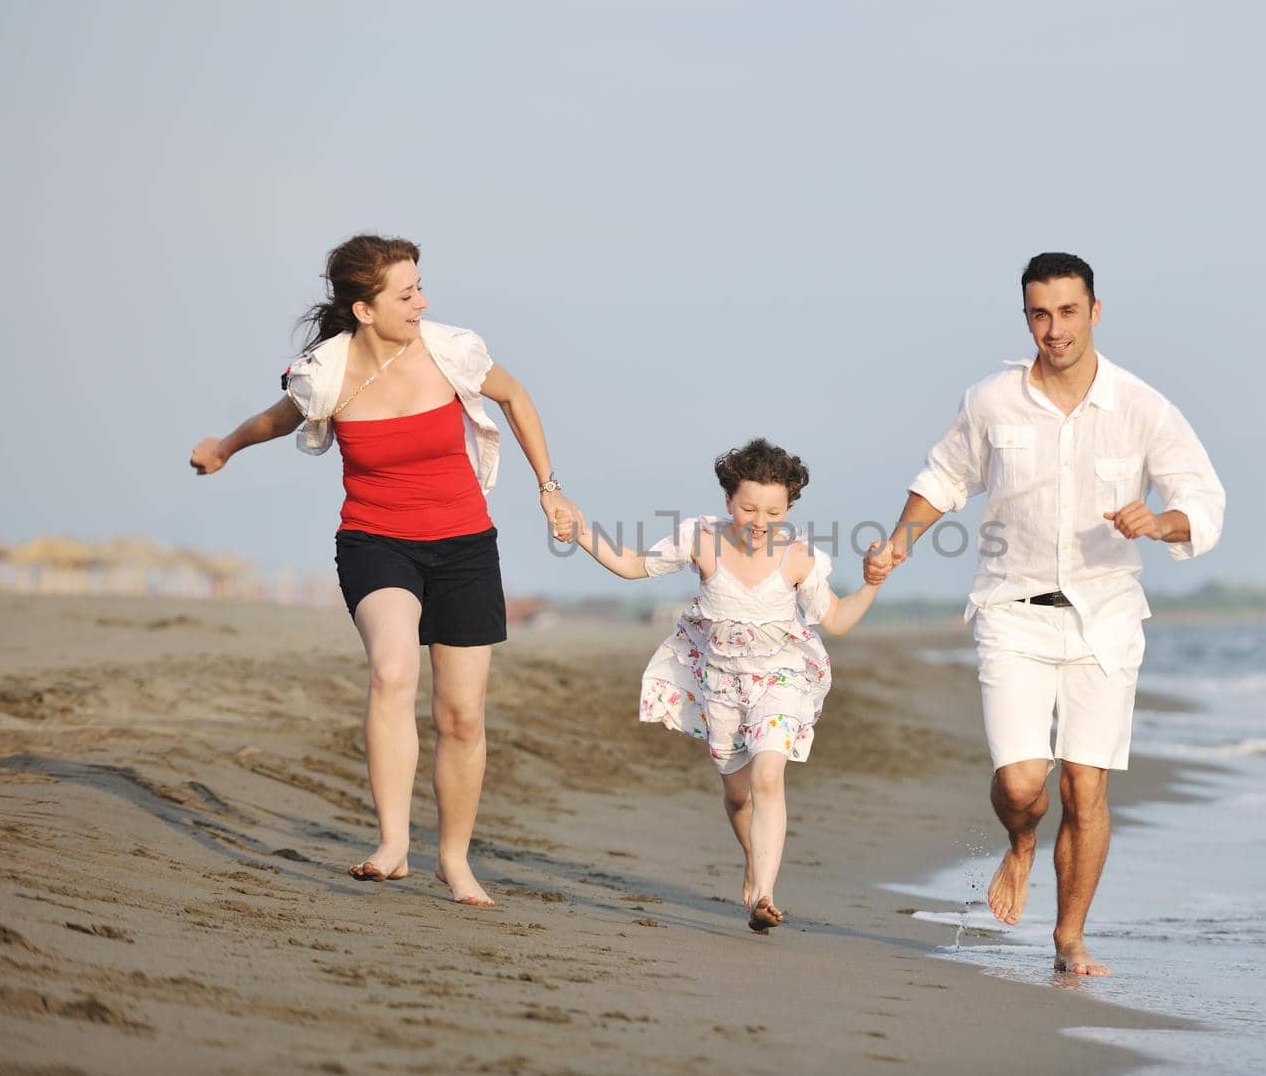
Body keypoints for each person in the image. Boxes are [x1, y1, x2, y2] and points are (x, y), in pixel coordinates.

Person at [189, 233, 583, 907]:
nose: (422, 302)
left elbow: (516, 397)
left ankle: (454, 861)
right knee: (393, 668)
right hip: (376, 540)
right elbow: (278, 418)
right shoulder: (327, 373)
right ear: (365, 309)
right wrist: (223, 447)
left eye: (419, 287)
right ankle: (394, 843)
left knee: (461, 715)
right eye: (407, 294)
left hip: (463, 545)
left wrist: (550, 486)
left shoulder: (451, 351)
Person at [865, 252, 1224, 974]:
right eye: (1039, 313)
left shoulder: (1143, 407)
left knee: (1084, 787)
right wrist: (896, 545)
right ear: (1025, 316)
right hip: (1012, 610)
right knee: (1025, 784)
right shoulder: (992, 399)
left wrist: (1161, 522)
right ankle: (1021, 843)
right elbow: (944, 475)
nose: (1053, 329)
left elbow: (1206, 501)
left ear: (1096, 310)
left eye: (1067, 311)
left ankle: (1069, 938)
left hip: (1106, 617)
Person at [573, 439, 881, 931]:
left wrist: (873, 582)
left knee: (767, 778)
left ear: (789, 508)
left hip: (781, 678)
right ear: (728, 501)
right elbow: (633, 566)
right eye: (749, 508)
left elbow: (838, 620)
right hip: (721, 683)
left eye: (775, 511)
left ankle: (764, 892)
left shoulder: (799, 557)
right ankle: (753, 861)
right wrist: (582, 531)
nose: (761, 522)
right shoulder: (701, 539)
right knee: (738, 796)